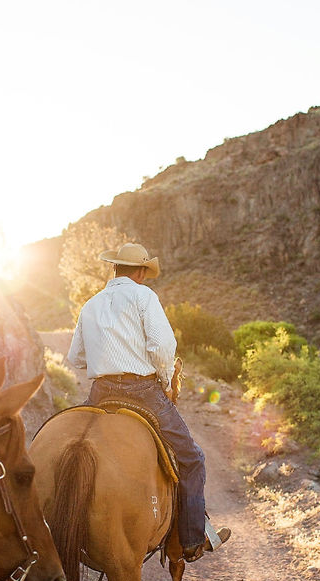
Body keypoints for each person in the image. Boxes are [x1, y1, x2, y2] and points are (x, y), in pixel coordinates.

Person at [67, 241, 230, 563]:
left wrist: (105, 361)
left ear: (114, 268)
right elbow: (162, 346)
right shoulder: (144, 297)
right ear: (141, 271)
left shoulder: (90, 304)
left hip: (100, 393)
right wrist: (166, 377)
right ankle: (194, 538)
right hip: (141, 391)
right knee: (192, 458)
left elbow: (76, 357)